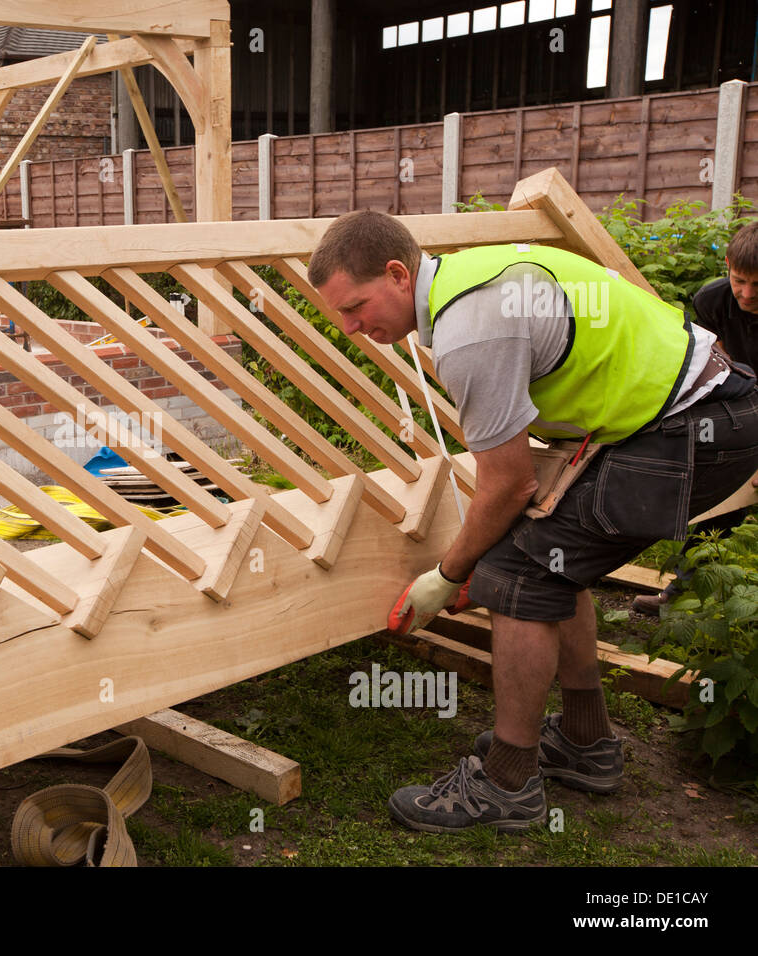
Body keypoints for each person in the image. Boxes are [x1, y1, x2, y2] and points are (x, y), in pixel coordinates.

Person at [309, 210, 758, 833]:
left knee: (518, 575)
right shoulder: (472, 278)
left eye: (357, 307)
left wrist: (449, 572)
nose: (355, 328)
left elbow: (509, 483)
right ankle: (585, 743)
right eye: (342, 317)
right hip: (700, 407)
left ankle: (507, 783)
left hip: (694, 425)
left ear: (397, 273)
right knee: (547, 556)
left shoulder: (471, 333)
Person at [633, 220, 758, 615]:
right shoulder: (712, 300)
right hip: (743, 397)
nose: (747, 294)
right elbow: (715, 367)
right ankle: (683, 592)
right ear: (726, 264)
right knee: (725, 491)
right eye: (740, 280)